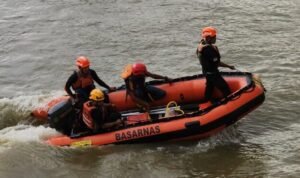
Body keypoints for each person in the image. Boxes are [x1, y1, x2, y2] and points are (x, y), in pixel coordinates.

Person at [196, 27, 235, 103]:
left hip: (206, 72)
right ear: (208, 38)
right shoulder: (208, 50)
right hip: (213, 74)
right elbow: (217, 63)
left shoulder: (201, 45)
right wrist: (229, 66)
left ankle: (206, 101)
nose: (216, 39)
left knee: (210, 87)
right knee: (225, 88)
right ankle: (228, 105)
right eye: (214, 37)